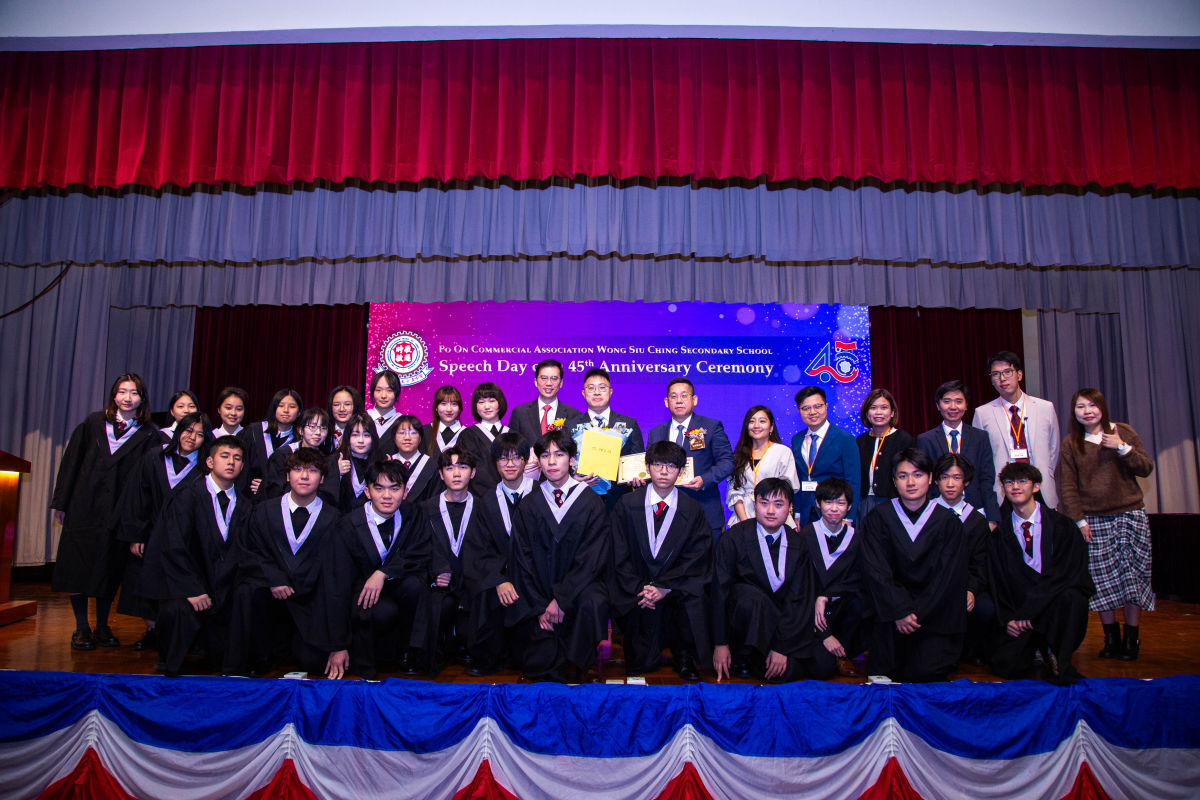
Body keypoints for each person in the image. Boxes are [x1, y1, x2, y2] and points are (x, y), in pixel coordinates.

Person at [51, 373, 162, 651]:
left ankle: (102, 626)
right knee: (77, 567)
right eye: (122, 392)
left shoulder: (149, 434)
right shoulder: (93, 424)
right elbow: (71, 462)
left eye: (134, 393)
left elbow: (149, 482)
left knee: (108, 569)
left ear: (142, 398)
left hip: (120, 513)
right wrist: (61, 503)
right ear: (114, 395)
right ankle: (81, 627)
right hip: (84, 507)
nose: (127, 398)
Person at [226, 446, 343, 678]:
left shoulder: (333, 518)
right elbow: (250, 551)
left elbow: (334, 568)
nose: (304, 476)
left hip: (310, 599)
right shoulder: (263, 511)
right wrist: (275, 578)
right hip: (271, 594)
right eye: (297, 469)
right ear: (287, 476)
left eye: (312, 470)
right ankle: (252, 659)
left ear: (322, 479)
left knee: (313, 662)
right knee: (247, 590)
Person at [1055, 388, 1155, 661]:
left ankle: (1131, 637)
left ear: (1102, 407)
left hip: (1129, 514)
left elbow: (1145, 468)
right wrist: (1078, 520)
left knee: (1132, 578)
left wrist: (1121, 447)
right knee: (1101, 581)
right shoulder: (1071, 443)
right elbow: (1067, 486)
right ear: (1074, 412)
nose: (1087, 411)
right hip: (1093, 519)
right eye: (1080, 407)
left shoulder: (1122, 432)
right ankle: (1110, 638)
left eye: (1092, 405)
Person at [143, 435, 253, 678]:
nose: (231, 462)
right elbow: (174, 546)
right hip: (188, 586)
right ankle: (170, 664)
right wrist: (192, 589)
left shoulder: (245, 505)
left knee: (247, 599)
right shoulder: (187, 496)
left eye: (237, 458)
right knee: (176, 610)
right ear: (210, 462)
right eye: (225, 456)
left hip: (225, 588)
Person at [508, 429, 611, 682]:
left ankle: (582, 662)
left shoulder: (591, 502)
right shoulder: (529, 504)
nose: (552, 461)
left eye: (559, 454)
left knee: (594, 600)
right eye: (545, 456)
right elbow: (522, 559)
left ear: (572, 460)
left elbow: (592, 558)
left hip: (578, 588)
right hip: (540, 593)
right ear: (538, 462)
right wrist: (541, 606)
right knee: (539, 667)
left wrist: (562, 599)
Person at [859, 448, 967, 683]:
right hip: (891, 614)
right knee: (884, 671)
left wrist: (916, 613)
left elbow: (947, 577)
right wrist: (900, 611)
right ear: (893, 481)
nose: (910, 482)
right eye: (903, 475)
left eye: (918, 475)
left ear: (930, 478)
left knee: (924, 673)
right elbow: (876, 571)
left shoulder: (948, 522)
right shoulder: (878, 518)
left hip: (932, 615)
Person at [610, 441, 712, 681]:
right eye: (657, 465)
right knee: (640, 663)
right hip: (638, 590)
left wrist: (665, 587)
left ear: (681, 471)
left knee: (694, 594)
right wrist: (642, 588)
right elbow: (618, 552)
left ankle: (684, 655)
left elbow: (697, 557)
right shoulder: (627, 505)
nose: (664, 472)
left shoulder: (692, 509)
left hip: (675, 589)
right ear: (647, 467)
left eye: (671, 466)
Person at [324, 460, 432, 679]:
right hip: (360, 593)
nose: (387, 496)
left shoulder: (413, 515)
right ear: (367, 492)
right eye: (379, 488)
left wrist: (383, 573)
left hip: (396, 585)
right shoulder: (348, 526)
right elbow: (337, 585)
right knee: (382, 611)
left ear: (405, 492)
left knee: (415, 587)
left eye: (395, 488)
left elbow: (419, 553)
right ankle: (367, 658)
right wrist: (338, 645)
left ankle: (407, 652)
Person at [711, 478, 826, 682]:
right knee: (749, 597)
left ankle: (768, 658)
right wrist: (721, 643)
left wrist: (781, 647)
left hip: (782, 625)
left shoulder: (798, 543)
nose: (770, 511)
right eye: (764, 503)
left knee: (824, 664)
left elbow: (799, 599)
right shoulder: (734, 538)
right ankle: (745, 657)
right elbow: (719, 592)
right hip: (744, 626)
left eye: (778, 504)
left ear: (789, 508)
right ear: (755, 504)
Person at [989, 463, 1093, 685]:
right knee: (1008, 666)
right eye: (1009, 482)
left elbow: (1068, 575)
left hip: (1052, 605)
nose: (1015, 487)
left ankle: (1057, 652)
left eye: (1022, 481)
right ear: (1003, 489)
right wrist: (1009, 618)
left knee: (1073, 598)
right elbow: (998, 583)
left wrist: (1033, 612)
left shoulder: (1062, 527)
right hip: (1021, 611)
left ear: (1036, 486)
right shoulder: (999, 535)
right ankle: (1039, 646)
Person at [115, 411, 209, 651]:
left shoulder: (204, 468)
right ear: (179, 431)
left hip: (185, 539)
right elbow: (138, 497)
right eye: (188, 431)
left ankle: (175, 634)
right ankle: (151, 631)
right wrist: (136, 534)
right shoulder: (154, 457)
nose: (192, 437)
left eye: (199, 434)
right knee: (146, 583)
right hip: (151, 533)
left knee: (176, 585)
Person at [463, 432, 534, 676]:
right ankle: (489, 658)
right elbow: (479, 549)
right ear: (495, 463)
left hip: (534, 575)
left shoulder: (541, 495)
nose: (510, 464)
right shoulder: (487, 501)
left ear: (526, 460)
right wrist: (499, 579)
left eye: (516, 458)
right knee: (485, 589)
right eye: (503, 458)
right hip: (500, 574)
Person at [417, 447, 492, 675]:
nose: (456, 473)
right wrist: (434, 572)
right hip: (439, 586)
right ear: (441, 474)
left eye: (463, 467)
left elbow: (489, 551)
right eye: (449, 468)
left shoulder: (483, 507)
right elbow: (418, 549)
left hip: (472, 585)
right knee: (439, 606)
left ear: (473, 473)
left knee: (471, 630)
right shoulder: (426, 509)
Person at [645, 377, 735, 541]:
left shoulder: (711, 427)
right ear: (666, 402)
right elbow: (649, 466)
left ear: (694, 400)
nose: (679, 400)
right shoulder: (655, 433)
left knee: (707, 558)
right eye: (673, 396)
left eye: (684, 395)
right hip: (665, 513)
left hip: (703, 510)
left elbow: (727, 462)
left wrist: (704, 479)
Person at [931, 453, 997, 665]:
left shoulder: (976, 520)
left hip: (963, 584)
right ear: (935, 481)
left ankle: (968, 652)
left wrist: (971, 589)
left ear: (966, 482)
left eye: (957, 477)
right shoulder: (925, 513)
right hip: (930, 585)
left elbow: (980, 563)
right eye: (944, 477)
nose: (950, 484)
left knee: (986, 608)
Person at [973, 351, 1061, 508]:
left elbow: (1053, 449)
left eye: (1007, 372)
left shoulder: (1045, 408)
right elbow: (980, 457)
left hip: (1039, 487)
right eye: (996, 374)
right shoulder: (982, 413)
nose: (1002, 378)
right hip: (1003, 491)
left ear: (1019, 375)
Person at [801, 477, 868, 677]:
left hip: (842, 610)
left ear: (849, 507)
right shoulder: (804, 537)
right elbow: (800, 583)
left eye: (840, 503)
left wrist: (828, 595)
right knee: (821, 669)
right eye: (828, 502)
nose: (834, 508)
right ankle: (826, 645)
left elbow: (859, 578)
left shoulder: (857, 538)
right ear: (818, 503)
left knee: (862, 601)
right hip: (810, 613)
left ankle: (845, 654)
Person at [916, 379, 1000, 527]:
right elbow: (925, 481)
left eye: (959, 401)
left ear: (966, 405)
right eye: (947, 401)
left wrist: (992, 517)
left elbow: (987, 479)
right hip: (937, 512)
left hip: (975, 510)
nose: (953, 407)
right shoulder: (926, 440)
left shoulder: (980, 437)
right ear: (938, 405)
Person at [564, 367, 645, 513]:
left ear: (610, 391)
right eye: (591, 388)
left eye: (602, 387)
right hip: (582, 500)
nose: (597, 392)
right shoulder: (570, 426)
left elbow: (638, 460)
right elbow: (564, 461)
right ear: (583, 393)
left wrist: (637, 476)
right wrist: (572, 477)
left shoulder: (629, 424)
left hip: (620, 502)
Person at [790, 386, 861, 526]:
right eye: (806, 408)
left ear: (826, 406)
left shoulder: (845, 438)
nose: (812, 412)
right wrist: (797, 512)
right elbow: (797, 478)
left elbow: (853, 480)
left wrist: (849, 517)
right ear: (799, 411)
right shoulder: (797, 440)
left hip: (835, 512)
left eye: (817, 406)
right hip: (806, 513)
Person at [726, 405, 800, 527]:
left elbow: (789, 488)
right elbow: (734, 492)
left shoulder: (783, 452)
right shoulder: (737, 456)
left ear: (771, 427)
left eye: (762, 421)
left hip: (775, 516)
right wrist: (746, 523)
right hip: (744, 517)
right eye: (752, 421)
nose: (756, 425)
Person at [855, 389, 916, 520]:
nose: (878, 412)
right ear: (866, 412)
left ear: (892, 412)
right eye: (873, 408)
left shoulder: (904, 440)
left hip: (893, 502)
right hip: (863, 503)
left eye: (884, 407)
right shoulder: (859, 441)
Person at [258, 407, 331, 501]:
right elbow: (272, 490)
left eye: (323, 428)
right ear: (300, 430)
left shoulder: (327, 458)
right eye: (312, 427)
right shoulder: (283, 455)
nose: (318, 432)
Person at [238, 388, 302, 495]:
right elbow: (242, 467)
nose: (286, 410)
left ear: (299, 412)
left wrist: (265, 486)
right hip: (249, 495)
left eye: (292, 406)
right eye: (281, 405)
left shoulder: (298, 442)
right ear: (274, 408)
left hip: (280, 497)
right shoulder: (253, 431)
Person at [507, 359, 582, 446]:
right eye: (544, 378)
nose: (549, 383)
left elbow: (577, 448)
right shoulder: (519, 413)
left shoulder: (574, 415)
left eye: (554, 378)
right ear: (535, 382)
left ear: (561, 383)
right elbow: (511, 447)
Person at [456, 382, 511, 490]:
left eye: (492, 401)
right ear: (475, 406)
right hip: (477, 496)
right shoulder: (467, 435)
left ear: (500, 403)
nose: (487, 406)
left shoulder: (512, 434)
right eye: (481, 402)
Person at [322, 412, 379, 513]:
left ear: (373, 438)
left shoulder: (379, 463)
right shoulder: (334, 461)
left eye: (366, 435)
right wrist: (336, 473)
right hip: (338, 519)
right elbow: (325, 497)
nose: (361, 440)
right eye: (355, 435)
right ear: (348, 437)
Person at [389, 414, 443, 506]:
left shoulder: (432, 466)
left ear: (420, 438)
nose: (407, 438)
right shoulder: (387, 464)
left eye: (413, 433)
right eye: (401, 433)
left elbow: (435, 501)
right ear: (394, 437)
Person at [368, 370, 404, 457]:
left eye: (389, 390)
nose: (383, 396)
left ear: (397, 393)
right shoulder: (362, 418)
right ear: (372, 392)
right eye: (378, 390)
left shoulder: (403, 422)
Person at [426, 385, 466, 456]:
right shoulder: (424, 432)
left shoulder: (468, 434)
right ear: (436, 407)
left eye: (454, 404)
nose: (449, 409)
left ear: (459, 408)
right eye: (443, 404)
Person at [327, 385, 364, 452]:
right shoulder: (324, 430)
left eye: (347, 404)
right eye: (336, 404)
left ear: (355, 406)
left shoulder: (363, 432)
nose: (342, 409)